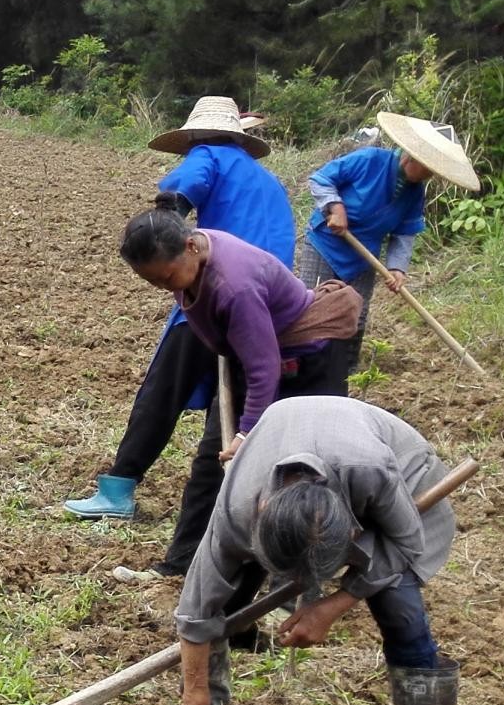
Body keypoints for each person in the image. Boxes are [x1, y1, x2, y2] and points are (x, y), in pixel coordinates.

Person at [163, 397, 460, 705]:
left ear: (354, 528)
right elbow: (196, 608)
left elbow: (406, 542)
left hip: (402, 476)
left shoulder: (372, 471)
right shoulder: (237, 506)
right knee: (224, 597)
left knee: (400, 610)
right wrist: (195, 695)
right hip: (290, 442)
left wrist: (334, 605)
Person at [66, 98, 297, 523]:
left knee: (164, 385)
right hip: (270, 299)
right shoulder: (266, 180)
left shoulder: (208, 156)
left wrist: (166, 224)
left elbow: (176, 193)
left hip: (217, 285)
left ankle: (120, 487)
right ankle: (233, 501)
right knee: (236, 398)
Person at [115, 210, 363, 584]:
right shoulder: (191, 258)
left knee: (298, 471)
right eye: (152, 281)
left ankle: (296, 582)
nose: (164, 287)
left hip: (305, 363)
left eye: (167, 277)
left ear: (191, 246)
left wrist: (247, 432)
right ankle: (181, 563)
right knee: (211, 462)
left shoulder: (235, 286)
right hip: (249, 356)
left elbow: (265, 368)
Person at [297, 111, 480, 375]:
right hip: (327, 242)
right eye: (427, 167)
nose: (429, 174)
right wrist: (334, 207)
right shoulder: (369, 160)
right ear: (411, 155)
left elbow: (404, 232)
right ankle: (303, 367)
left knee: (355, 316)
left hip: (363, 255)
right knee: (314, 305)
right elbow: (322, 178)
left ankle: (343, 373)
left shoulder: (414, 193)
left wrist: (397, 269)